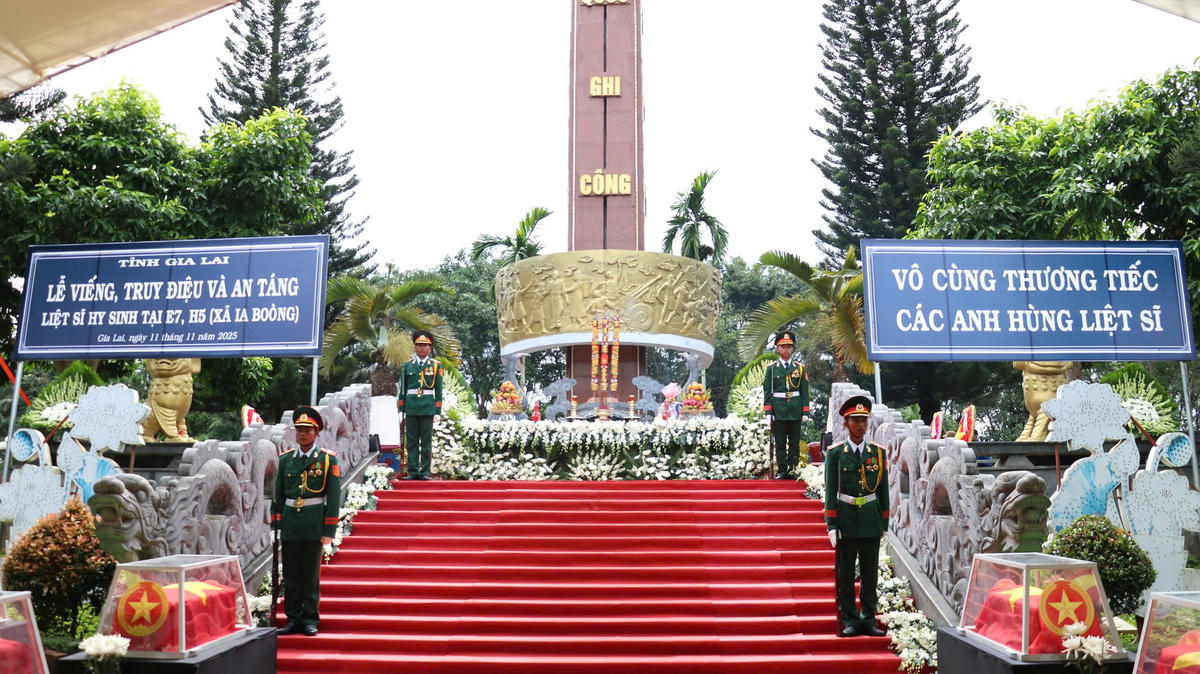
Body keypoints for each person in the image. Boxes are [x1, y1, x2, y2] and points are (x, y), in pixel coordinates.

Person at [823, 395, 889, 638]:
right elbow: (831, 491)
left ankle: (868, 618)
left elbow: (883, 491)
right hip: (846, 520)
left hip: (871, 519)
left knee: (870, 574)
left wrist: (884, 522)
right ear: (846, 423)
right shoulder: (836, 454)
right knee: (846, 575)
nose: (861, 425)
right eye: (855, 420)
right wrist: (831, 525)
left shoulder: (878, 453)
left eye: (864, 420)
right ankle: (850, 619)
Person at [271, 406, 341, 636]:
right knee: (291, 575)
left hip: (313, 524)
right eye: (299, 430)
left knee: (310, 576)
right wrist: (275, 524)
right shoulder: (286, 460)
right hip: (291, 524)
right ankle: (292, 618)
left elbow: (334, 497)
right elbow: (278, 495)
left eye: (307, 430)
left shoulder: (327, 460)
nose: (302, 434)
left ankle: (310, 618)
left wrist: (329, 529)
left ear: (316, 433)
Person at [761, 329, 810, 478]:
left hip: (795, 410)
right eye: (783, 346)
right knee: (780, 443)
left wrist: (805, 411)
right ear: (778, 348)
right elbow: (767, 392)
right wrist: (768, 413)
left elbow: (804, 391)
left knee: (794, 443)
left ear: (792, 348)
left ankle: (793, 470)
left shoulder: (800, 368)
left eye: (789, 346)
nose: (786, 349)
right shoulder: (771, 369)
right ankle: (782, 470)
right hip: (779, 410)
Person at [398, 330, 443, 479]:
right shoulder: (407, 366)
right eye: (419, 345)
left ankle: (424, 472)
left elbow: (439, 391)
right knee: (411, 441)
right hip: (411, 408)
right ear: (415, 347)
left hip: (428, 408)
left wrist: (437, 412)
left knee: (426, 442)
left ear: (430, 348)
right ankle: (412, 471)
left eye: (425, 345)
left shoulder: (435, 366)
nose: (422, 348)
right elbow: (402, 390)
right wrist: (401, 409)